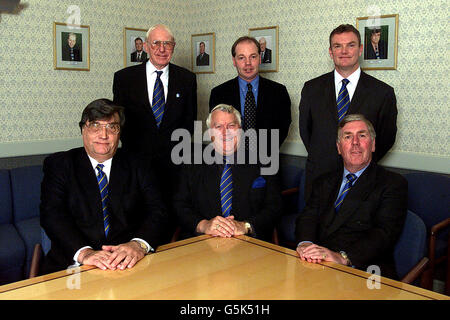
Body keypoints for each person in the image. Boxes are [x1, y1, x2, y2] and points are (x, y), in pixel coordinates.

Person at [40, 99, 168, 274]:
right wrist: (85, 253)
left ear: (119, 133)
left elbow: (158, 210)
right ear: (83, 129)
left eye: (112, 127)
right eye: (95, 126)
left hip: (129, 262)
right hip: (74, 264)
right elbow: (52, 215)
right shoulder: (60, 165)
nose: (104, 135)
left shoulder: (140, 164)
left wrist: (138, 244)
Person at [296, 114, 407, 280]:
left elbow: (383, 234)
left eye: (362, 135)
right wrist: (306, 244)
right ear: (339, 148)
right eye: (348, 137)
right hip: (319, 264)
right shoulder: (324, 181)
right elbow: (308, 217)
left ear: (373, 144)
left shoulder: (392, 183)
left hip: (365, 269)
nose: (355, 142)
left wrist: (343, 257)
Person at [113, 24, 197, 241]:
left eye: (167, 43)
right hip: (136, 169)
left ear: (173, 47)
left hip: (174, 171)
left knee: (171, 228)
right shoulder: (124, 78)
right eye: (156, 43)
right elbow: (118, 124)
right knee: (138, 226)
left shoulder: (187, 79)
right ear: (147, 47)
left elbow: (189, 124)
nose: (162, 49)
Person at [299, 24, 397, 202]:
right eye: (338, 46)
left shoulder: (382, 92)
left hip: (362, 181)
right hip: (319, 178)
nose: (344, 51)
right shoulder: (311, 89)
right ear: (331, 51)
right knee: (313, 228)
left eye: (350, 45)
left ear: (360, 50)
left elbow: (386, 137)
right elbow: (306, 132)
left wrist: (356, 160)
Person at [173, 104, 282, 242]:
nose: (225, 133)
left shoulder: (265, 161)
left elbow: (275, 207)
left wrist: (245, 226)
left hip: (250, 244)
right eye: (218, 127)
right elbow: (179, 205)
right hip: (201, 243)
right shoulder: (191, 163)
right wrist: (203, 225)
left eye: (231, 125)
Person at [209, 36, 291, 153]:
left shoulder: (279, 92)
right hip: (230, 163)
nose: (248, 63)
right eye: (241, 58)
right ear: (234, 61)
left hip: (267, 163)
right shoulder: (218, 93)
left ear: (260, 59)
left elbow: (282, 129)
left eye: (253, 57)